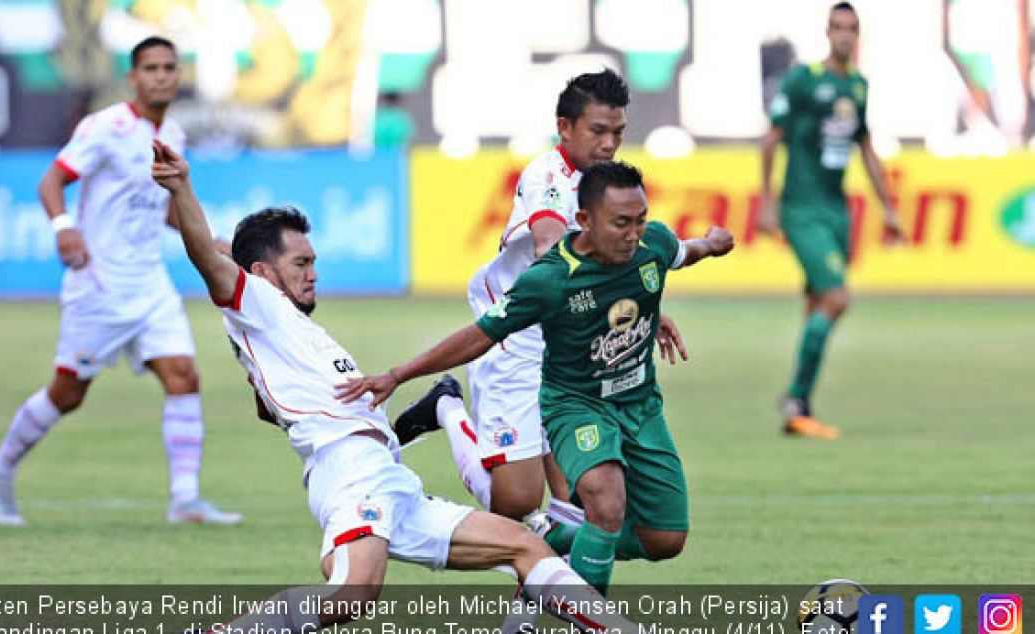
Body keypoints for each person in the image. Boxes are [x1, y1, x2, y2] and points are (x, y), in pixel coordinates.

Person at [149, 140, 639, 634]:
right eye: (300, 264)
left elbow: (221, 256)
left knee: (524, 544)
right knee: (350, 596)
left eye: (313, 261)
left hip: (391, 479)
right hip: (349, 469)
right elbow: (207, 256)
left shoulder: (286, 326)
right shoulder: (257, 304)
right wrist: (182, 187)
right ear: (260, 273)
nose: (313, 274)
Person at [339, 161, 734, 594]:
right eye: (621, 223)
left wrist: (712, 243)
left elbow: (683, 251)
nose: (633, 234)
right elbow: (478, 336)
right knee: (604, 499)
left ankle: (555, 542)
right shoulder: (550, 280)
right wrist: (398, 374)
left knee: (665, 539)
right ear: (584, 220)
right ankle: (588, 615)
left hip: (640, 407)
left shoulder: (650, 245)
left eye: (640, 220)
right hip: (577, 405)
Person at [393, 68, 688, 533]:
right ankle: (445, 408)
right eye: (597, 131)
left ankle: (547, 598)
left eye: (617, 132)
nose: (609, 143)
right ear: (565, 127)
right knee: (516, 499)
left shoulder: (605, 182)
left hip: (573, 338)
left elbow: (611, 260)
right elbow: (551, 243)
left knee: (576, 497)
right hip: (518, 335)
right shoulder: (548, 176)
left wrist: (645, 308)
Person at [0, 36, 241, 526]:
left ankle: (185, 500)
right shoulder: (106, 127)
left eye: (169, 67)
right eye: (151, 68)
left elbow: (164, 209)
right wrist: (64, 228)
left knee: (183, 375)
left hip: (149, 283)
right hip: (99, 284)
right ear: (133, 77)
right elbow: (52, 181)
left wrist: (211, 239)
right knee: (68, 393)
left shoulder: (175, 135)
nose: (162, 75)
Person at [759, 1, 906, 439]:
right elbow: (771, 139)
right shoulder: (804, 80)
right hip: (802, 208)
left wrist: (890, 207)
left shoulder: (858, 86)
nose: (844, 35)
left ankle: (798, 408)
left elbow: (865, 146)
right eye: (838, 27)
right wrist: (767, 202)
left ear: (857, 34)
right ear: (827, 32)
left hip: (837, 209)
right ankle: (795, 395)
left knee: (815, 307)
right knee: (837, 298)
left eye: (851, 28)